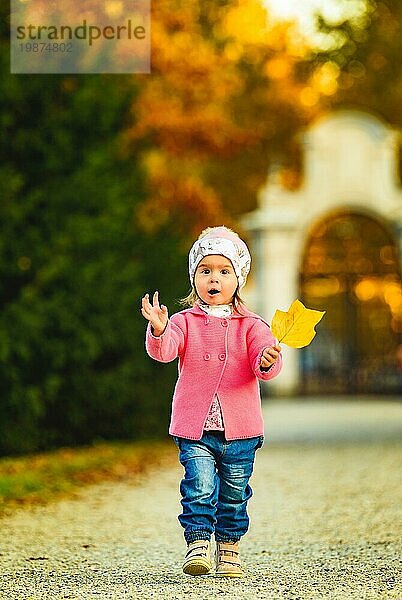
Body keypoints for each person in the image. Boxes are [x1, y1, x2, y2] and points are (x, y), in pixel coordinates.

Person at [141, 226, 282, 578]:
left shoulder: (252, 324)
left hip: (240, 430)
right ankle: (198, 542)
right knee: (199, 486)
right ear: (194, 280)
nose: (214, 279)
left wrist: (267, 360)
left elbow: (263, 361)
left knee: (234, 493)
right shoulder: (183, 321)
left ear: (238, 279)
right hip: (195, 427)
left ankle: (229, 546)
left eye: (224, 271)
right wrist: (159, 329)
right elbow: (165, 351)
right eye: (205, 271)